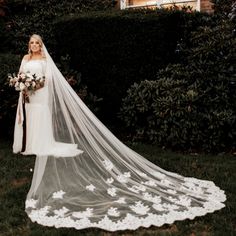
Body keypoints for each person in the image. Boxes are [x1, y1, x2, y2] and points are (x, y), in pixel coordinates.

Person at [13, 34, 226, 231]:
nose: (34, 46)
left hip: (39, 94)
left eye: (37, 43)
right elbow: (22, 74)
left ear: (41, 45)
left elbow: (48, 81)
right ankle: (29, 143)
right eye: (31, 43)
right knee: (31, 118)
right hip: (28, 96)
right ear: (28, 45)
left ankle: (41, 141)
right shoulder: (25, 58)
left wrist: (34, 86)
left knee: (40, 116)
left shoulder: (45, 60)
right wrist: (22, 85)